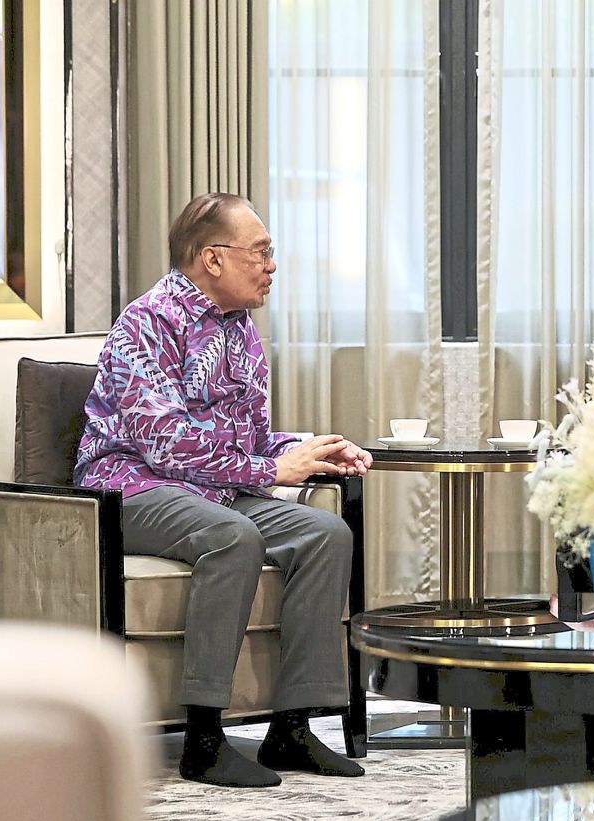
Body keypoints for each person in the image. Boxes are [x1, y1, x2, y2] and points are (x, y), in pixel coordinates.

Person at [75, 192, 372, 788]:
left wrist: (306, 449)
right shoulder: (147, 322)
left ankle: (292, 728)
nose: (272, 266)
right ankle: (204, 738)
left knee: (324, 533)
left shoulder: (241, 330)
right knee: (231, 537)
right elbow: (161, 440)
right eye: (261, 253)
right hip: (128, 488)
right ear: (212, 259)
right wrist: (270, 473)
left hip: (211, 488)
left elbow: (249, 439)